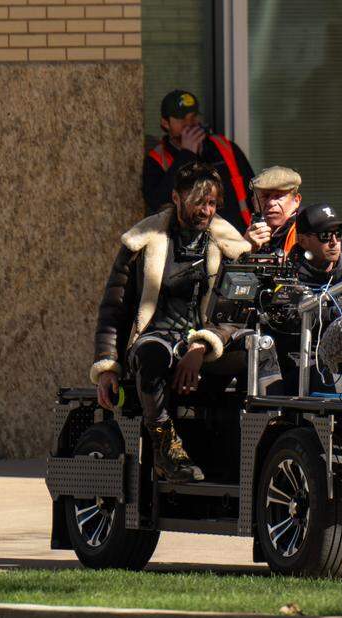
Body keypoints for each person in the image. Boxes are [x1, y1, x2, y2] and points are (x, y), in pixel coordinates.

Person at [92, 162, 279, 483]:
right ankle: (165, 446)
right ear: (177, 198)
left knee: (258, 347)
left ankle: (265, 448)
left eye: (211, 204)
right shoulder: (140, 243)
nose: (205, 210)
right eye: (198, 202)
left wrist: (201, 344)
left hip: (208, 341)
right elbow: (114, 309)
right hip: (155, 336)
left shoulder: (229, 244)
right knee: (151, 354)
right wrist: (107, 367)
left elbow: (237, 309)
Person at [143, 89, 265, 247]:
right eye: (181, 119)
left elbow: (254, 192)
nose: (190, 124)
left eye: (193, 117)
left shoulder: (224, 147)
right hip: (187, 246)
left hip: (237, 239)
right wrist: (187, 154)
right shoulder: (157, 159)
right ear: (165, 123)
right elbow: (158, 203)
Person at [269, 203, 342, 394]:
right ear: (303, 241)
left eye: (339, 234)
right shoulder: (286, 278)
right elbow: (293, 320)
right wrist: (341, 310)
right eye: (325, 235)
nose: (334, 242)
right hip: (301, 363)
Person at [248, 166, 342, 264]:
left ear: (296, 200)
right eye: (265, 196)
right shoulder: (254, 226)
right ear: (254, 202)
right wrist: (245, 246)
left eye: (278, 196)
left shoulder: (310, 221)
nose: (271, 203)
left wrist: (291, 259)